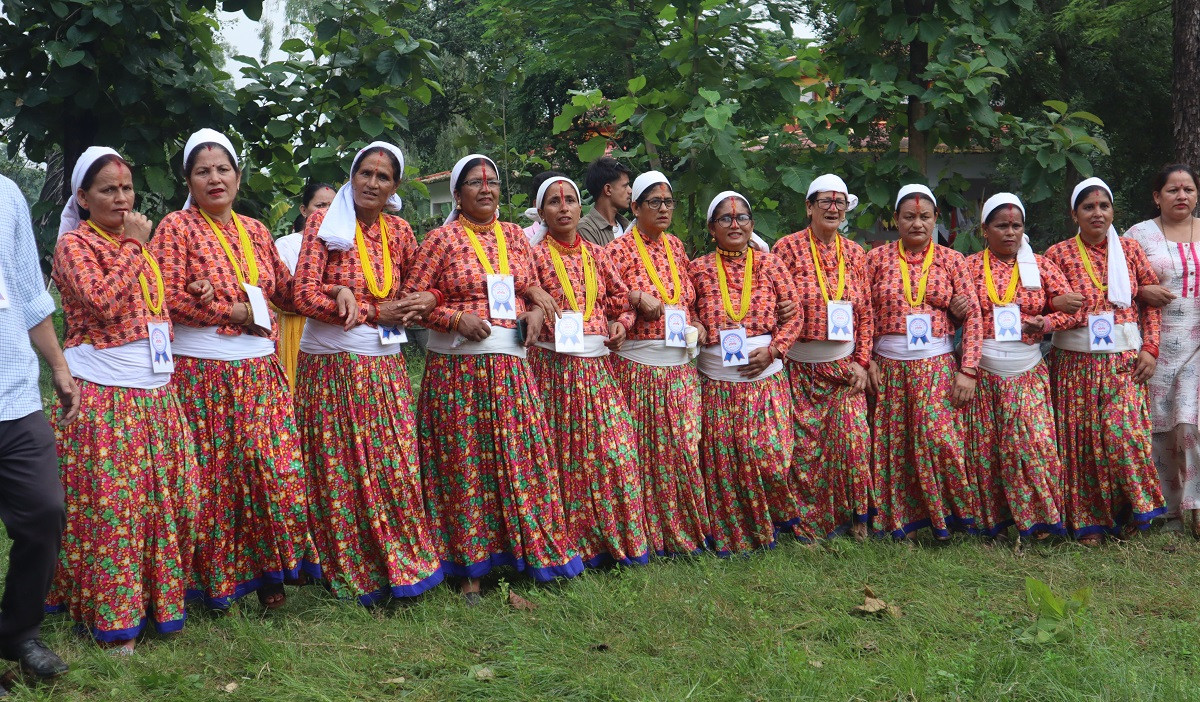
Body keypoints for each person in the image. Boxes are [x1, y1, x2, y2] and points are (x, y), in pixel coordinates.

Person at [149, 128, 340, 609]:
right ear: (187, 180)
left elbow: (286, 291)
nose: (215, 179)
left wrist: (338, 290)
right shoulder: (175, 228)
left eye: (223, 169)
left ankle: (270, 570)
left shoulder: (255, 230)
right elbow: (164, 297)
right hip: (202, 372)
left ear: (237, 175)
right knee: (213, 479)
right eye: (202, 171)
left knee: (273, 471)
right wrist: (228, 313)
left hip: (258, 372)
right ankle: (215, 583)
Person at [406, 154, 582, 603]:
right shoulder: (440, 240)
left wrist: (536, 311)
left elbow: (534, 290)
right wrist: (454, 318)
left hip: (512, 370)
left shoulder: (516, 239)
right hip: (458, 373)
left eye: (493, 182)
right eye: (475, 183)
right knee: (466, 464)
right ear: (458, 193)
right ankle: (470, 568)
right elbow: (412, 303)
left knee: (521, 459)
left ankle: (530, 552)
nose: (486, 189)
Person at [45, 147, 199, 652]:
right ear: (83, 198)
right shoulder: (74, 245)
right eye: (107, 189)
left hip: (156, 395)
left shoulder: (140, 245)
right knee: (116, 513)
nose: (121, 197)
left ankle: (156, 604)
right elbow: (101, 302)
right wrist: (136, 247)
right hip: (106, 398)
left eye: (126, 188)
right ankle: (114, 622)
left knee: (172, 503)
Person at [293, 143, 445, 604]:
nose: (372, 183)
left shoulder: (399, 231)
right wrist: (369, 308)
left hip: (385, 366)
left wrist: (430, 302)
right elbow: (302, 293)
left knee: (393, 463)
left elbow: (423, 284)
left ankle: (399, 559)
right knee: (340, 468)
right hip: (333, 364)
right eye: (365, 173)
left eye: (383, 176)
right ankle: (345, 562)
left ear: (395, 186)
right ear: (352, 176)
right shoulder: (324, 222)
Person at [528, 175, 649, 567]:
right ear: (542, 212)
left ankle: (617, 540)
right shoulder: (533, 256)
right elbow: (518, 300)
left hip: (598, 370)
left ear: (581, 208)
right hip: (553, 369)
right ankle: (573, 546)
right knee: (564, 459)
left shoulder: (598, 255)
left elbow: (621, 300)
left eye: (570, 200)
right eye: (554, 202)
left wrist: (622, 324)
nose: (563, 207)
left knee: (615, 452)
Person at [1046, 177, 1166, 544]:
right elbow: (1043, 300)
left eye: (1104, 206)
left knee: (1122, 434)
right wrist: (1053, 305)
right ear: (1075, 214)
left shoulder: (1129, 251)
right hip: (1075, 362)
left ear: (1113, 211)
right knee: (1080, 444)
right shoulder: (1056, 254)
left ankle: (1136, 512)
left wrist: (1151, 349)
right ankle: (1089, 524)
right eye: (1088, 207)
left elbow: (1150, 305)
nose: (1097, 213)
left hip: (1123, 361)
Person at [866, 184, 983, 541]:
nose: (917, 223)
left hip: (936, 364)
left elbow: (974, 316)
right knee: (895, 446)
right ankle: (901, 523)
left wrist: (969, 370)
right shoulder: (875, 259)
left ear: (934, 220)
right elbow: (863, 312)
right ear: (896, 220)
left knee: (939, 439)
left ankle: (952, 518)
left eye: (925, 216)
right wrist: (866, 357)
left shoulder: (952, 261)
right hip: (889, 366)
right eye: (909, 216)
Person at [690, 192, 805, 554]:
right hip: (718, 384)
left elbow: (795, 316)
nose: (734, 224)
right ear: (712, 228)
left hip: (764, 379)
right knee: (726, 462)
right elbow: (685, 309)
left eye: (741, 219)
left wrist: (773, 350)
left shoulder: (771, 265)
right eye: (725, 219)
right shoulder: (698, 268)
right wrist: (695, 323)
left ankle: (777, 519)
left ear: (752, 224)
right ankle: (737, 533)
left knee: (770, 457)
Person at [959, 193, 1077, 540]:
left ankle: (1041, 524)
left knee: (1032, 445)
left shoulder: (1040, 266)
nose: (1010, 233)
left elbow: (1073, 312)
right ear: (985, 229)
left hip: (1027, 369)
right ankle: (991, 524)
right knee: (986, 450)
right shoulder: (967, 267)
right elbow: (963, 318)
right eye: (1002, 226)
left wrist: (1045, 323)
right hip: (983, 370)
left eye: (1016, 226)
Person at [606, 171, 710, 555]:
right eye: (654, 202)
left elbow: (692, 304)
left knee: (683, 448)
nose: (663, 209)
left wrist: (697, 325)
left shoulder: (678, 247)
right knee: (644, 452)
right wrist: (634, 296)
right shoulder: (616, 251)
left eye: (668, 202)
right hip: (638, 367)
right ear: (634, 207)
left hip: (680, 365)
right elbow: (605, 299)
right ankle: (646, 535)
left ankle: (684, 532)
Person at [0, 173, 75, 685]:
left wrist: (59, 366)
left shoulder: (7, 193)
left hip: (15, 392)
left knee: (45, 512)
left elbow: (29, 289)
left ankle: (18, 631)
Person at [773, 175, 874, 541]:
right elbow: (771, 301)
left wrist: (862, 362)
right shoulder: (785, 248)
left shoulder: (855, 253)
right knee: (804, 450)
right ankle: (806, 526)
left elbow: (866, 314)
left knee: (853, 443)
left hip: (844, 369)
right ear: (809, 207)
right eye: (826, 202)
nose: (833, 208)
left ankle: (858, 518)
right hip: (799, 367)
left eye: (840, 202)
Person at [1124, 164, 1200, 536]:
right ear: (1157, 196)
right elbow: (1114, 284)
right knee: (1159, 429)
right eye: (1173, 190)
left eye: (1188, 189)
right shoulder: (1138, 235)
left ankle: (1196, 506)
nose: (1181, 196)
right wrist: (1140, 291)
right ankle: (1164, 510)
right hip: (1154, 344)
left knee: (1190, 422)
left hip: (1198, 343)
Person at [275, 181, 335, 387]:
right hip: (297, 326)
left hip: (335, 326)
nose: (326, 212)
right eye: (320, 206)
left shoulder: (343, 242)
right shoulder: (286, 244)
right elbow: (284, 290)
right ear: (303, 210)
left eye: (332, 206)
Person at [578, 156, 632, 246]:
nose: (630, 191)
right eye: (625, 186)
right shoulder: (586, 229)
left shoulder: (628, 226)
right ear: (608, 189)